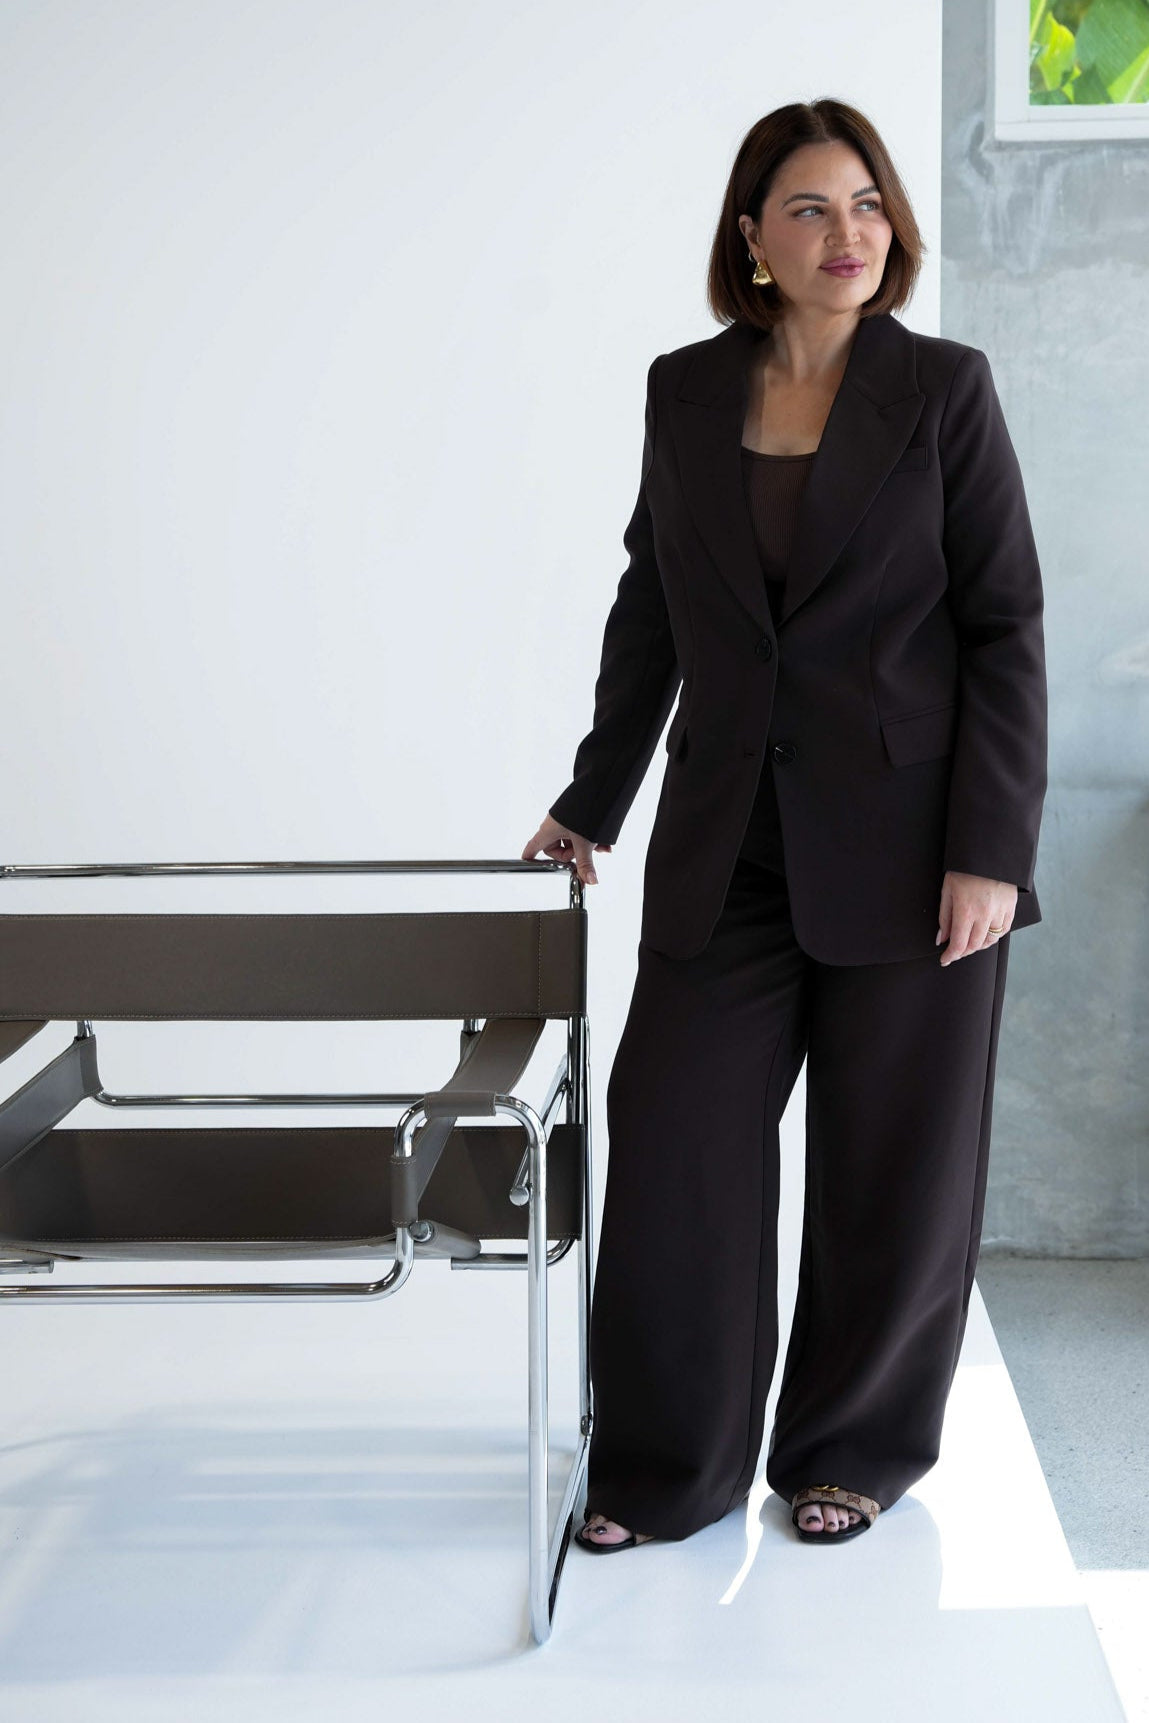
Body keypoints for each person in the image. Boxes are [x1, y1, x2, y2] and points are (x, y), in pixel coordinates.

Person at [520, 98, 1048, 1551]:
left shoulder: (943, 390)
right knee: (679, 1142)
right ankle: (660, 1468)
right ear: (750, 239)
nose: (848, 233)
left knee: (893, 1166)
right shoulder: (685, 393)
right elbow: (657, 606)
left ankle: (850, 1454)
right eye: (810, 208)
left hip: (917, 854)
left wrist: (989, 851)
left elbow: (1004, 626)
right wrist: (592, 795)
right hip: (724, 842)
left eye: (867, 203)